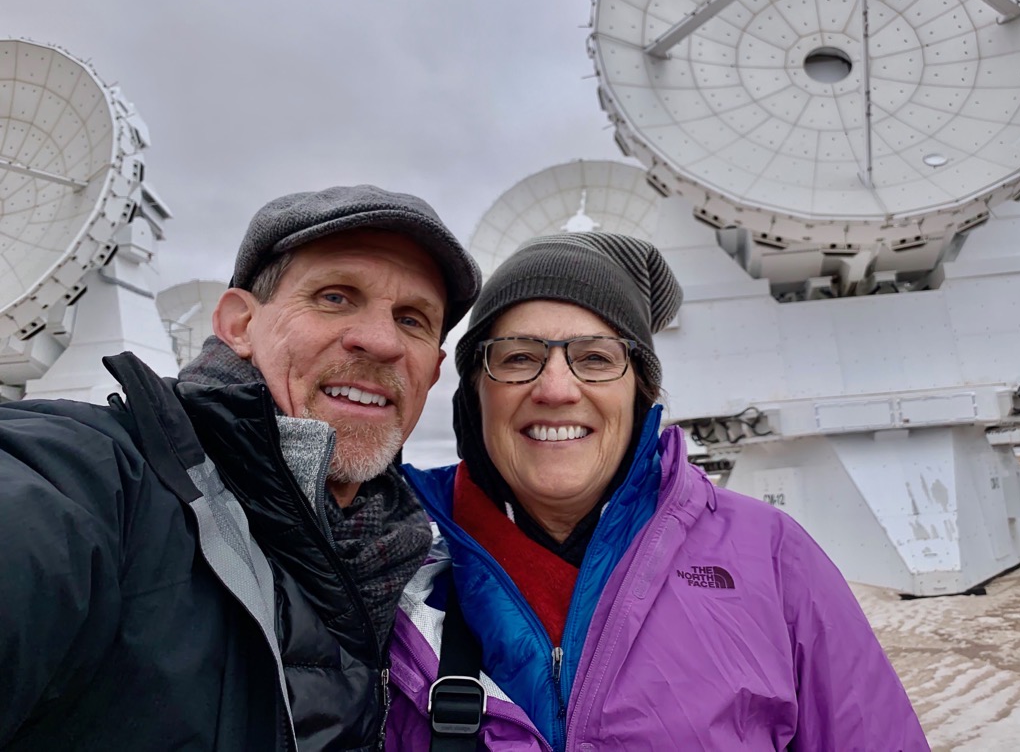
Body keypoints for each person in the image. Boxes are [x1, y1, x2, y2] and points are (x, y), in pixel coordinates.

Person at [386, 232, 929, 750]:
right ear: (473, 394)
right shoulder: (384, 556)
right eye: (518, 357)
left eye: (596, 358)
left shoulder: (771, 557)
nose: (555, 388)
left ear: (640, 394)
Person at [0, 185, 480, 751]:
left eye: (412, 319)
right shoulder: (90, 480)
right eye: (334, 296)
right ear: (237, 324)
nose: (380, 341)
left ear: (434, 367)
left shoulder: (417, 566)